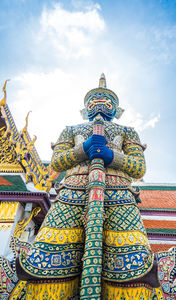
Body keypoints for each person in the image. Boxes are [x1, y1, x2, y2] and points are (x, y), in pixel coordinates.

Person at [17, 74, 158, 299]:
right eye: (93, 101)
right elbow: (57, 162)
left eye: (107, 101)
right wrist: (83, 148)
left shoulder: (128, 131)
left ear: (116, 108)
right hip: (73, 192)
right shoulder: (71, 130)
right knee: (45, 267)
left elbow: (139, 167)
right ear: (85, 107)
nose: (100, 104)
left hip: (118, 194)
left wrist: (112, 156)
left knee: (133, 270)